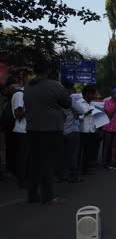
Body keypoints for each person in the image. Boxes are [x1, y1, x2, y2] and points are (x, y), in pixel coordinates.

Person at [24, 59, 71, 204]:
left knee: (35, 163)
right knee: (48, 162)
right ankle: (48, 196)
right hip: (51, 128)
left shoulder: (28, 86)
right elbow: (67, 102)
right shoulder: (54, 85)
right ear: (48, 71)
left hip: (32, 128)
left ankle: (32, 195)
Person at [11, 69, 28, 187]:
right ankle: (22, 180)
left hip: (27, 130)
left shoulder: (25, 94)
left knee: (27, 157)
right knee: (23, 157)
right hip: (22, 130)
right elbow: (18, 114)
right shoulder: (19, 94)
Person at [61, 81, 81, 183]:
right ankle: (73, 175)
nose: (74, 91)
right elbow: (81, 110)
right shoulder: (69, 100)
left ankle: (63, 174)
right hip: (71, 129)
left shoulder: (56, 100)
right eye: (72, 89)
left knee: (63, 154)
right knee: (73, 154)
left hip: (61, 130)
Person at [77, 85, 100, 175]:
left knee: (88, 151)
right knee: (79, 151)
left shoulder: (92, 104)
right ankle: (77, 169)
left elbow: (93, 117)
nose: (94, 96)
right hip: (82, 130)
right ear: (87, 94)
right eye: (92, 94)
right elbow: (77, 117)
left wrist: (96, 126)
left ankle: (85, 168)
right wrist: (86, 113)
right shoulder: (79, 103)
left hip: (91, 130)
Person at [102, 88, 116, 170]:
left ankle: (112, 162)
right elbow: (109, 114)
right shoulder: (107, 103)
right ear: (112, 94)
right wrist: (115, 104)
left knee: (114, 146)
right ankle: (105, 162)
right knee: (107, 145)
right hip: (108, 127)